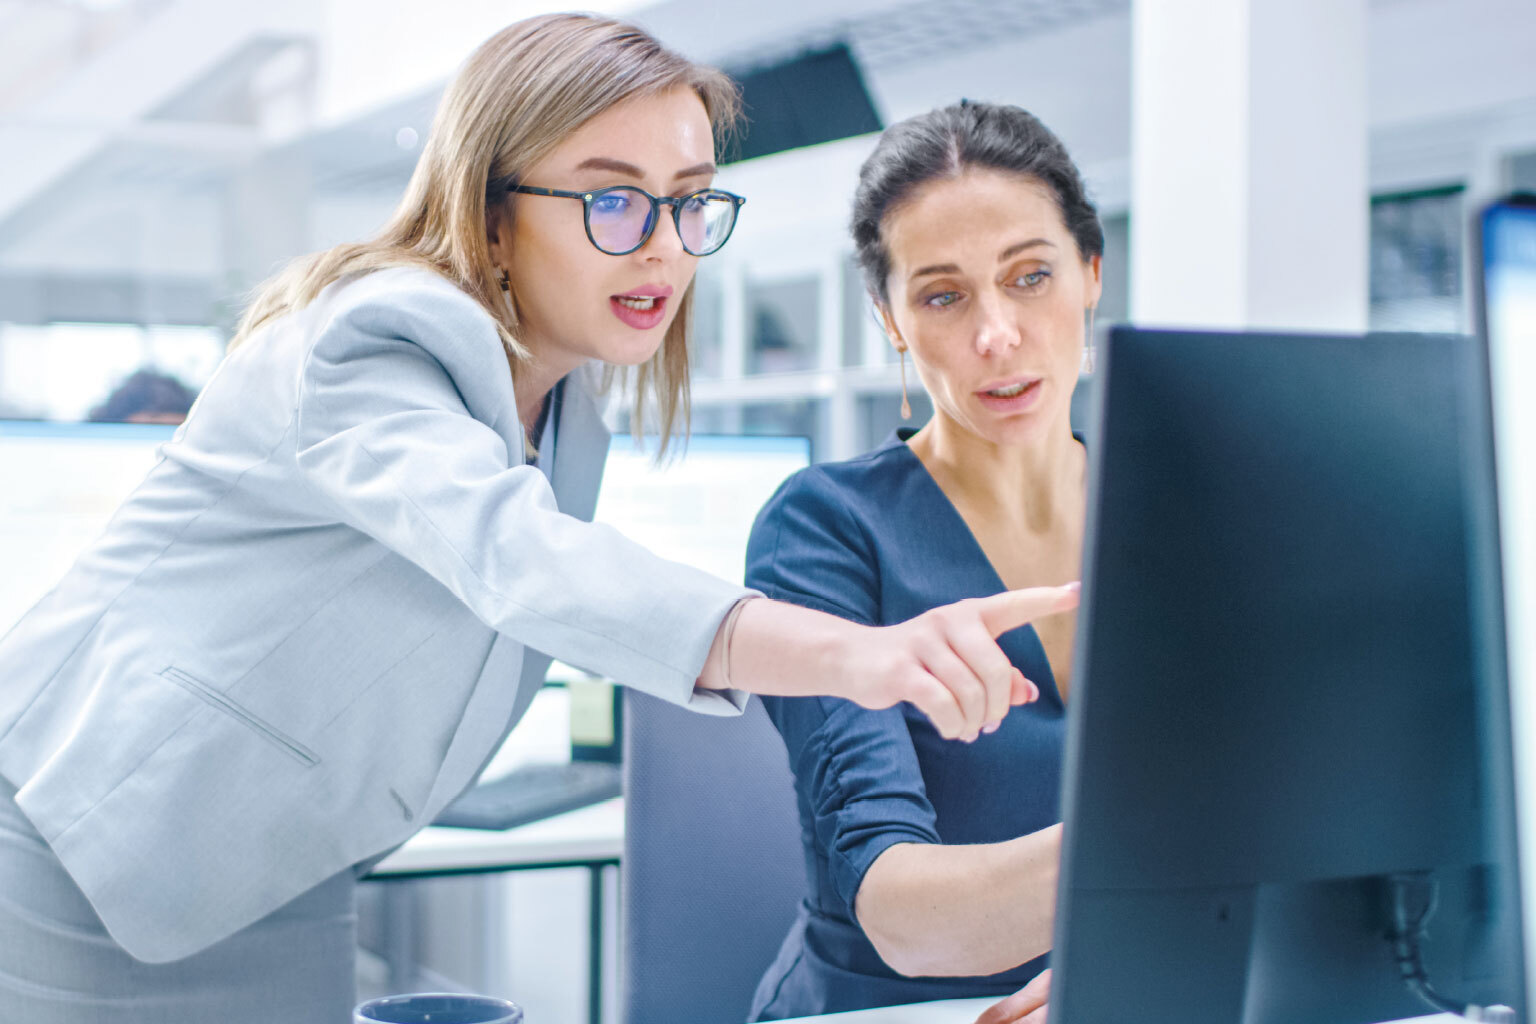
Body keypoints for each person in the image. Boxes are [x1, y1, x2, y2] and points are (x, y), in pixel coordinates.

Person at [0, 18, 1077, 1024]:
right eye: (613, 202)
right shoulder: (375, 340)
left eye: (688, 201)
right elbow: (525, 564)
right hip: (83, 838)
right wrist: (860, 656)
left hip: (273, 860)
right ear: (491, 214)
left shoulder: (563, 413)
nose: (663, 246)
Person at [745, 101, 1102, 1024]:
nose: (997, 334)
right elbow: (901, 916)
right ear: (891, 320)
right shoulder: (826, 528)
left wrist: (1135, 953)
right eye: (944, 296)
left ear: (1093, 275)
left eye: (1030, 277)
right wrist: (1158, 864)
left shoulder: (1186, 514)